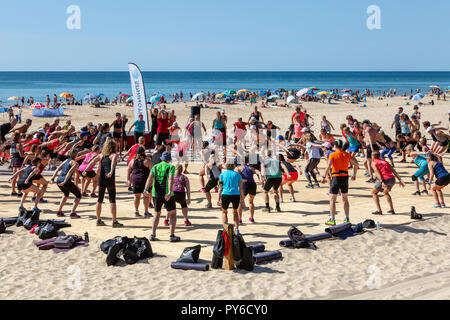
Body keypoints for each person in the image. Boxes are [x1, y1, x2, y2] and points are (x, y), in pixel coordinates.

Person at [85, 140, 123, 228]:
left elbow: (92, 162)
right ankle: (114, 221)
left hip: (101, 178)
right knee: (112, 200)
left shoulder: (101, 155)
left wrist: (86, 170)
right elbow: (113, 163)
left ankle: (98, 220)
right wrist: (111, 171)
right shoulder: (113, 155)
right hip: (109, 178)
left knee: (99, 199)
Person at [144, 151, 180, 242]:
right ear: (169, 159)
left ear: (161, 159)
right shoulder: (171, 167)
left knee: (157, 213)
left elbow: (149, 178)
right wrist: (169, 191)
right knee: (172, 213)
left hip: (156, 193)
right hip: (167, 194)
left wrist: (146, 189)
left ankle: (152, 234)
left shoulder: (155, 166)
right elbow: (170, 179)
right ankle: (171, 235)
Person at [321, 140, 359, 226]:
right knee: (345, 199)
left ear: (334, 146)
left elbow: (328, 166)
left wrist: (324, 177)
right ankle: (347, 218)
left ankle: (332, 219)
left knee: (332, 199)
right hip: (345, 177)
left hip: (336, 177)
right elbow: (356, 164)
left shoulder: (333, 154)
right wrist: (354, 174)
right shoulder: (347, 154)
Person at [371, 151, 405, 215]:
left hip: (385, 180)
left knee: (374, 193)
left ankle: (379, 211)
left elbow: (377, 172)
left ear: (373, 156)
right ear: (379, 156)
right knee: (385, 192)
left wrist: (382, 182)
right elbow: (394, 171)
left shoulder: (374, 162)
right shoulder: (385, 162)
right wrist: (400, 180)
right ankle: (391, 209)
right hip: (392, 179)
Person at [50, 150, 82, 218]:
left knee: (66, 194)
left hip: (59, 179)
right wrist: (65, 181)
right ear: (76, 155)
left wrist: (52, 178)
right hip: (65, 180)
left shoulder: (66, 160)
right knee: (78, 195)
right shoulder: (75, 163)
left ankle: (59, 211)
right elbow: (70, 172)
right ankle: (72, 213)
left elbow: (58, 168)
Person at [128, 146, 153, 218]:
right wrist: (152, 181)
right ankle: (146, 211)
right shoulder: (147, 161)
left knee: (136, 196)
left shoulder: (132, 160)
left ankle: (136, 211)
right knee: (146, 196)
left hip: (135, 180)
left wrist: (128, 180)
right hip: (144, 181)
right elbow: (152, 171)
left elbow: (128, 169)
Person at [218, 163, 244, 231]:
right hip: (235, 194)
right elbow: (241, 188)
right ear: (234, 167)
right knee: (235, 212)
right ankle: (237, 229)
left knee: (224, 212)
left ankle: (225, 229)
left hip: (225, 194)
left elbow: (220, 187)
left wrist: (218, 199)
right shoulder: (238, 175)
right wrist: (243, 199)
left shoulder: (222, 175)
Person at [236, 155, 260, 224]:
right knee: (251, 202)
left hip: (244, 184)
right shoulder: (251, 168)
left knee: (240, 202)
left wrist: (241, 179)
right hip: (252, 184)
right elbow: (258, 172)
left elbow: (236, 175)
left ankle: (240, 219)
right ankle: (251, 218)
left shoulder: (240, 168)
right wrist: (261, 178)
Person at [9, 132, 25, 196]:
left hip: (14, 160)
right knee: (20, 177)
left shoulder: (12, 144)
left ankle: (13, 191)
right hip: (19, 160)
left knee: (14, 176)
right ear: (18, 137)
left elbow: (11, 154)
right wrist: (28, 155)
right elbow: (21, 155)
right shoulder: (18, 145)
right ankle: (19, 191)